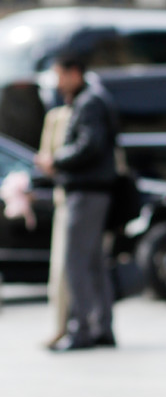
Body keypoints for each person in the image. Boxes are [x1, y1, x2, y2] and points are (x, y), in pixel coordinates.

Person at [35, 56, 118, 351]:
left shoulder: (89, 102)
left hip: (85, 191)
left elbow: (89, 145)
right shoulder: (93, 99)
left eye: (60, 75)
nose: (57, 83)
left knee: (75, 263)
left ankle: (81, 329)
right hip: (94, 191)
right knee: (93, 263)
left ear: (74, 73)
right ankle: (101, 327)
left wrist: (56, 160)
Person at [37, 104, 73, 348]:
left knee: (86, 269)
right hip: (68, 196)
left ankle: (90, 327)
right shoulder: (56, 117)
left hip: (91, 197)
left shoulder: (94, 106)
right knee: (63, 269)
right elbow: (45, 159)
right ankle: (64, 327)